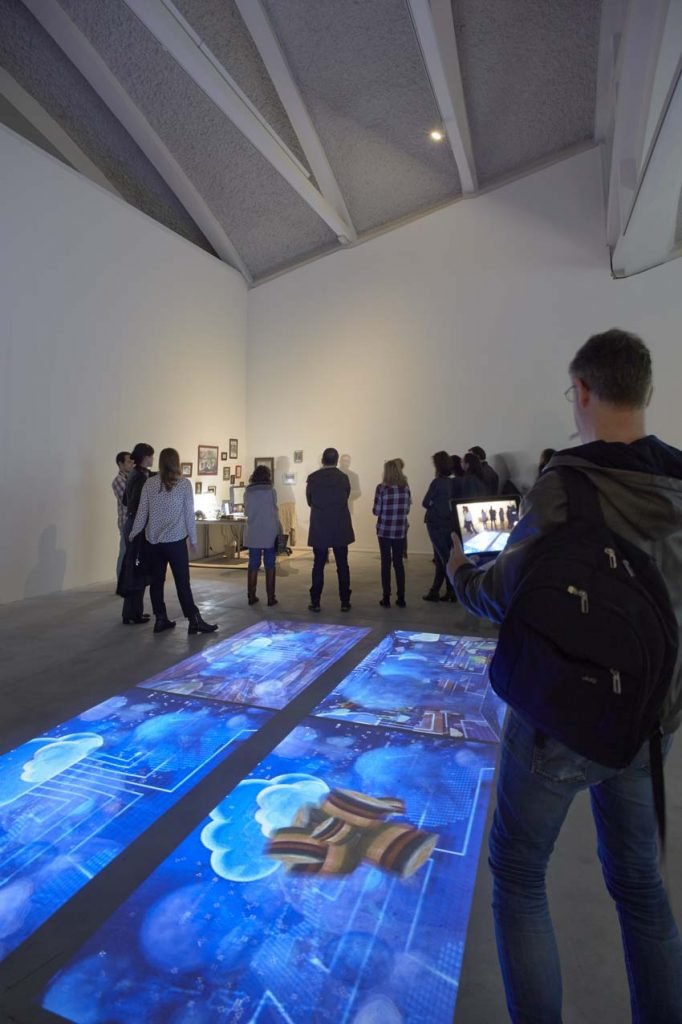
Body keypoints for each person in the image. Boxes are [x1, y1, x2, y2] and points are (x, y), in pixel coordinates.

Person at [447, 328, 682, 1023]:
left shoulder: (565, 487)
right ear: (644, 391)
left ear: (582, 391)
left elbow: (501, 594)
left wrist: (462, 568)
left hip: (564, 721)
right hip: (651, 720)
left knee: (518, 878)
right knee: (641, 888)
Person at [130, 447, 217, 635]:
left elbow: (142, 512)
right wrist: (193, 539)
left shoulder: (150, 484)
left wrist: (133, 533)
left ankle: (160, 618)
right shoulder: (184, 484)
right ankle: (194, 620)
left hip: (153, 542)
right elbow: (188, 515)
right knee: (182, 582)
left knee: (156, 582)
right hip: (176, 542)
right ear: (176, 462)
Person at [306, 448, 355, 612]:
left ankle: (316, 601)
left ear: (322, 459)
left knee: (318, 564)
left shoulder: (313, 478)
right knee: (342, 564)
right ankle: (345, 601)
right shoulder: (343, 478)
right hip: (340, 525)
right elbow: (346, 496)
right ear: (337, 460)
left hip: (320, 525)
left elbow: (309, 500)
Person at [119, 442, 154, 625]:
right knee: (137, 569)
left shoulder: (134, 474)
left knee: (134, 569)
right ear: (145, 457)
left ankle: (133, 612)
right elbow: (136, 503)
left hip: (131, 523)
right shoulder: (140, 477)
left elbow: (125, 500)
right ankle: (132, 613)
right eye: (150, 456)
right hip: (137, 525)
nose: (152, 459)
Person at [373, 459, 411, 608]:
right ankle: (401, 597)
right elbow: (407, 509)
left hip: (384, 530)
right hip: (400, 530)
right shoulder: (405, 488)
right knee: (399, 563)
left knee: (385, 563)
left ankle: (386, 597)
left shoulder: (381, 488)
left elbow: (376, 511)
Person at [244, 464, 280, 607]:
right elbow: (274, 510)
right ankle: (271, 598)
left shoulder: (248, 492)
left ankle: (251, 596)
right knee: (270, 565)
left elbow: (247, 512)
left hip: (253, 531)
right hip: (269, 532)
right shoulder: (271, 491)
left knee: (253, 564)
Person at [422, 451, 456, 602]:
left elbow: (425, 502)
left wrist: (433, 505)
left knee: (444, 558)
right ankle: (436, 590)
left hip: (435, 523)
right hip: (448, 523)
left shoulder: (437, 483)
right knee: (441, 556)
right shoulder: (452, 483)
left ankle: (451, 590)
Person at [112, 451, 133, 581]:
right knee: (125, 552)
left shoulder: (131, 478)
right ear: (120, 463)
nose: (132, 464)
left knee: (130, 553)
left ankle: (129, 581)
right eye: (129, 461)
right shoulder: (118, 481)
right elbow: (129, 500)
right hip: (125, 522)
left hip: (133, 521)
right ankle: (121, 582)